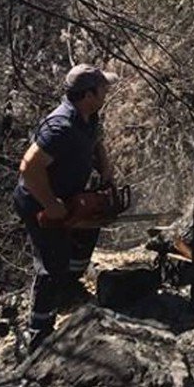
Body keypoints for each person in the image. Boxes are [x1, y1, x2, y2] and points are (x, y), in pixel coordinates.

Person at [13, 64, 119, 350]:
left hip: (66, 193)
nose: (106, 92)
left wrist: (105, 168)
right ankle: (39, 333)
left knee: (88, 229)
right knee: (52, 263)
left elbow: (95, 142)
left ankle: (69, 287)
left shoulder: (89, 116)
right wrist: (51, 204)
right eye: (102, 89)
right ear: (87, 94)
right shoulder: (60, 126)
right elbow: (29, 167)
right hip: (37, 200)